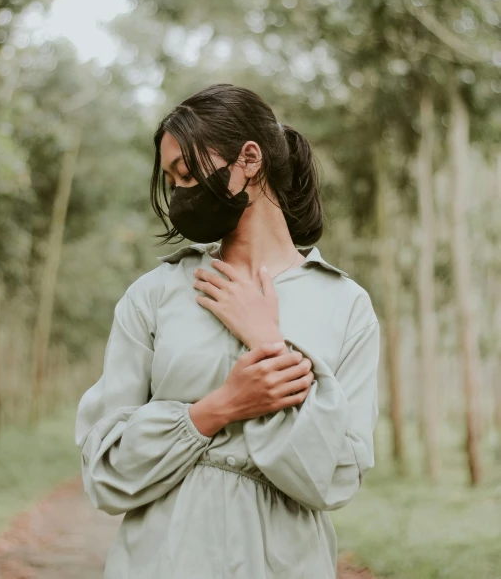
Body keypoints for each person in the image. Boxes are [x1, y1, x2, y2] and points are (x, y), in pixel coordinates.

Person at [75, 82, 381, 579]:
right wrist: (219, 408)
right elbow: (106, 472)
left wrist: (268, 342)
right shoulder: (154, 294)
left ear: (250, 159)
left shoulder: (347, 306)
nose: (180, 194)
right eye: (173, 180)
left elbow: (335, 480)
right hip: (161, 562)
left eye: (188, 173)